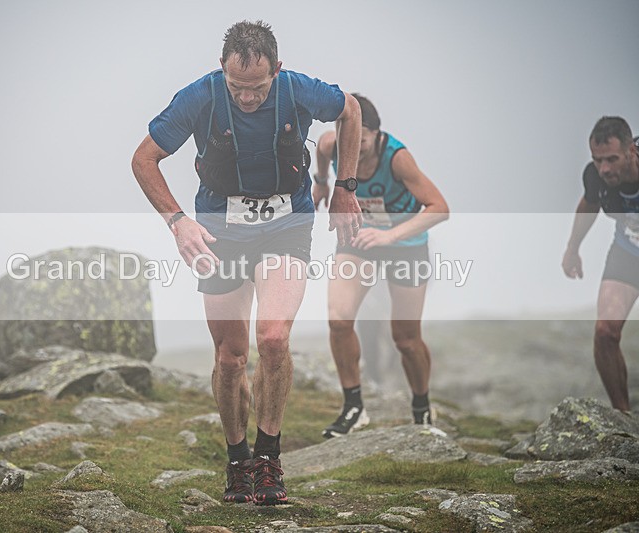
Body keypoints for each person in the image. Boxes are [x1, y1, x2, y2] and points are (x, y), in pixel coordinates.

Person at [132, 20, 362, 505]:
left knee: (274, 338)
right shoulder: (199, 96)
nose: (248, 97)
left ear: (275, 71)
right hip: (220, 231)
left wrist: (345, 188)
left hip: (287, 224)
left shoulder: (298, 89)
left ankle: (268, 459)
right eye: (237, 87)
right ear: (222, 70)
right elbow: (143, 159)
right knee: (230, 358)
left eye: (257, 88)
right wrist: (178, 222)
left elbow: (351, 110)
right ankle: (237, 461)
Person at [312, 94, 449, 438]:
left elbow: (439, 207)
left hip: (406, 246)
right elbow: (323, 154)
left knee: (405, 338)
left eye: (362, 142)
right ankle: (353, 407)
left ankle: (421, 409)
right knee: (338, 318)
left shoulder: (397, 159)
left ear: (375, 133)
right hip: (358, 241)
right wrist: (322, 182)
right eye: (349, 143)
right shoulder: (332, 144)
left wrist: (391, 236)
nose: (354, 151)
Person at [562, 116, 639, 412]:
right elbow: (590, 204)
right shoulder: (595, 176)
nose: (605, 168)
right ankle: (623, 419)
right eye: (598, 160)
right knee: (605, 332)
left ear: (631, 150)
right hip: (629, 251)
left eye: (612, 159)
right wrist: (572, 249)